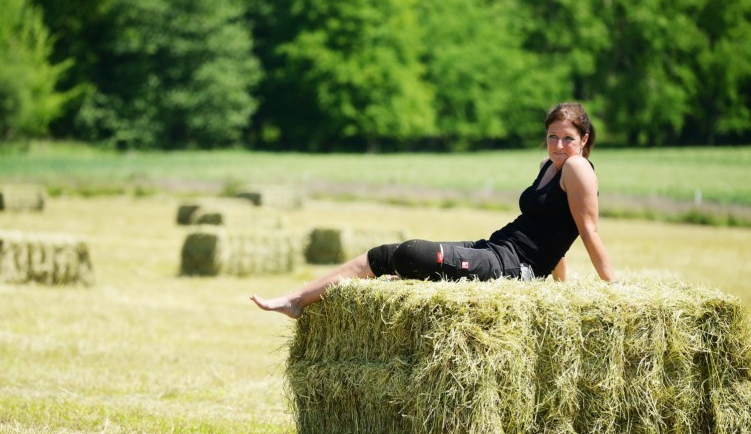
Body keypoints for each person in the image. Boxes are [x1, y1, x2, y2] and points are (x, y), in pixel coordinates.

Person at [251, 102, 616, 319]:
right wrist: (559, 289)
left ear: (584, 140)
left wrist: (613, 289)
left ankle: (298, 300)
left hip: (510, 267)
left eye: (568, 138)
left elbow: (588, 231)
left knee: (411, 254)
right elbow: (552, 231)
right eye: (553, 136)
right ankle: (297, 299)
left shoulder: (577, 168)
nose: (558, 144)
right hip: (495, 249)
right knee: (385, 255)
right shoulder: (549, 166)